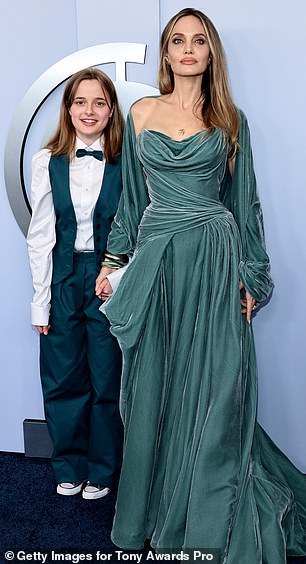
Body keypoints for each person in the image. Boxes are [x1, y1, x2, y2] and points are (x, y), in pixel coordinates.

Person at [95, 8, 306, 563]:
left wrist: (252, 279)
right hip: (160, 263)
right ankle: (153, 510)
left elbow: (245, 205)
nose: (188, 49)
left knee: (217, 394)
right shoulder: (139, 111)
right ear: (165, 54)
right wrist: (113, 261)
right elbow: (132, 201)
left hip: (216, 263)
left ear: (211, 53)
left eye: (198, 41)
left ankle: (205, 515)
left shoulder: (232, 119)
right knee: (152, 389)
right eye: (177, 40)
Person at [27, 67, 125, 499]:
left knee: (107, 379)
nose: (89, 110)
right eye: (80, 101)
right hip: (64, 276)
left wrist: (116, 276)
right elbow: (41, 235)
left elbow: (135, 228)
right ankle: (69, 464)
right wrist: (40, 302)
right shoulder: (46, 160)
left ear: (110, 111)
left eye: (99, 102)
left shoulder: (127, 161)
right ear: (67, 108)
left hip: (108, 278)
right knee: (63, 375)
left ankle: (103, 469)